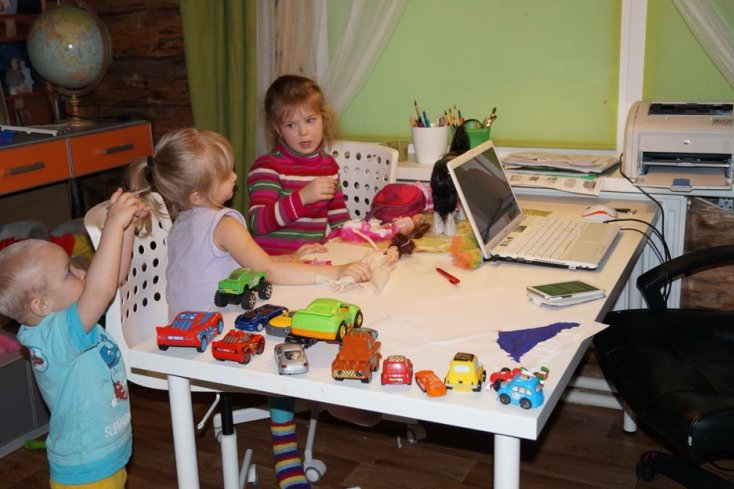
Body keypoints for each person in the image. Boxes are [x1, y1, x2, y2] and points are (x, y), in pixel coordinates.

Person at [126, 127, 371, 489]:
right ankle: (291, 453)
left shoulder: (182, 221)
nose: (236, 177)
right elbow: (266, 272)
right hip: (219, 336)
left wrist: (291, 256)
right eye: (227, 175)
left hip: (187, 333)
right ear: (198, 193)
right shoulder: (223, 223)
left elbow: (244, 265)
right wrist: (336, 271)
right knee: (289, 347)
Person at [0, 189, 150, 488]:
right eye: (68, 272)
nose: (81, 272)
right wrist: (112, 225)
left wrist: (127, 227)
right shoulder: (54, 335)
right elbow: (101, 289)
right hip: (87, 469)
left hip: (104, 457)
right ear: (41, 305)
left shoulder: (65, 320)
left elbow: (112, 278)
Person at [247, 74, 351, 256]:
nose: (303, 132)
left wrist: (353, 239)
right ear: (277, 128)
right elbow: (257, 223)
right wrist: (302, 197)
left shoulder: (329, 166)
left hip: (311, 261)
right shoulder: (267, 167)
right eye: (291, 125)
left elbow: (339, 218)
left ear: (323, 118)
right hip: (275, 265)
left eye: (310, 120)